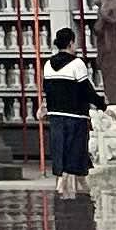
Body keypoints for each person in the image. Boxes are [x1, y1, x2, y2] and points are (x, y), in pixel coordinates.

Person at [43, 30, 98, 182]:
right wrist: (102, 105)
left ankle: (61, 184)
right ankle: (74, 188)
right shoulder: (77, 63)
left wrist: (44, 107)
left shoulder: (48, 64)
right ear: (71, 43)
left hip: (55, 116)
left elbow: (47, 89)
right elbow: (87, 90)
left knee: (60, 151)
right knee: (76, 155)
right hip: (75, 116)